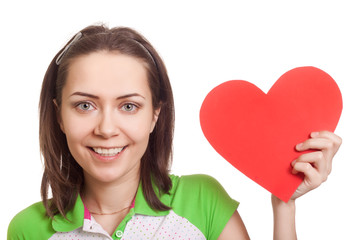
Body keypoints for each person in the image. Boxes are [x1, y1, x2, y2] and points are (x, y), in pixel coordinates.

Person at [7, 24, 342, 240]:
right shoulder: (27, 230)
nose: (107, 129)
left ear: (155, 116)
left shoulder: (203, 201)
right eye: (84, 105)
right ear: (58, 116)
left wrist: (284, 203)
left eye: (128, 106)